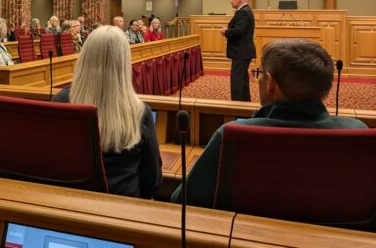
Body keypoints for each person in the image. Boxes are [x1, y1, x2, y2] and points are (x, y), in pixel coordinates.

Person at [171, 39, 368, 208]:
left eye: (260, 73)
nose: (258, 79)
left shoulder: (233, 135)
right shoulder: (358, 133)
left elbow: (182, 200)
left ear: (271, 83)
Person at [52, 26, 162, 199]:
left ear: (85, 57)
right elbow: (152, 181)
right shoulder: (140, 112)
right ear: (124, 63)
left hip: (69, 207)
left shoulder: (59, 102)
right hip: (122, 212)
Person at [221, 0, 255, 101]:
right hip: (242, 51)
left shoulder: (244, 11)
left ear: (239, 0)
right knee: (242, 79)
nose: (230, 1)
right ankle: (244, 104)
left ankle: (237, 105)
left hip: (241, 51)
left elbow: (239, 30)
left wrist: (226, 31)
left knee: (237, 81)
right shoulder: (244, 10)